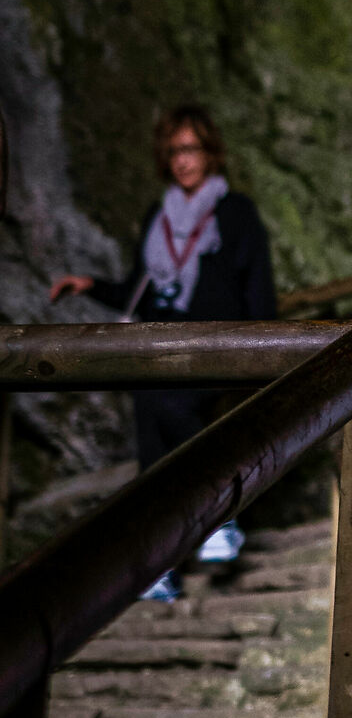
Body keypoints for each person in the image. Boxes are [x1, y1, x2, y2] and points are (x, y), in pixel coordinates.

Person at [50, 106, 277, 600]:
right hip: (166, 346)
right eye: (174, 150)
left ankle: (216, 514)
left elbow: (258, 288)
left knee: (163, 405)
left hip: (221, 347)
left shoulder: (234, 212)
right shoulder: (159, 216)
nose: (182, 160)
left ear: (210, 153)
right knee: (151, 416)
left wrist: (265, 356)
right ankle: (165, 558)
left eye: (191, 148)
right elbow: (141, 288)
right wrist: (91, 286)